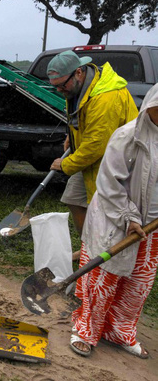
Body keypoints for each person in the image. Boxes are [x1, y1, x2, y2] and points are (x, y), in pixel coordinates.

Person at [69, 84, 158, 359]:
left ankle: (119, 331)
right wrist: (128, 217)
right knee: (104, 279)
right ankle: (85, 330)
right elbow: (109, 184)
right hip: (116, 220)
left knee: (139, 284)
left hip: (152, 227)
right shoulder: (128, 137)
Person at [47, 50, 138, 241]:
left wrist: (65, 165)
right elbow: (82, 117)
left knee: (106, 211)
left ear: (78, 72)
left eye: (62, 85)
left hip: (115, 161)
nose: (59, 90)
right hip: (92, 158)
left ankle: (102, 251)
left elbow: (97, 144)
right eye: (55, 86)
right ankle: (87, 247)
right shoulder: (80, 87)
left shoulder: (105, 98)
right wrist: (72, 136)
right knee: (73, 199)